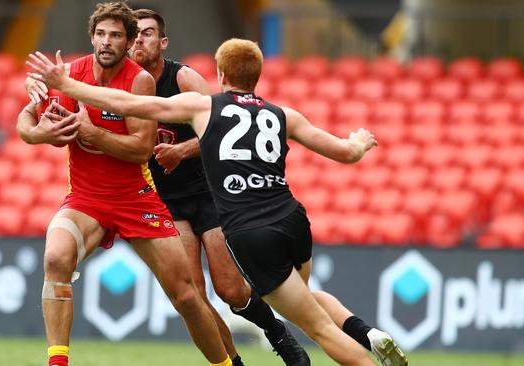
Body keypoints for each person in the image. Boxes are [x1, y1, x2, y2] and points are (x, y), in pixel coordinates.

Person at [27, 37, 410, 366]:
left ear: (221, 75)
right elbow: (344, 153)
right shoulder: (283, 114)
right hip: (294, 220)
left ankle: (360, 353)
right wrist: (360, 141)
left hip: (251, 232)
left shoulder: (204, 107)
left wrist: (68, 85)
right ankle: (366, 331)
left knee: (317, 327)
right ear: (256, 76)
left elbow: (130, 106)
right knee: (302, 298)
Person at [17, 3, 234, 366]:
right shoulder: (69, 73)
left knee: (186, 296)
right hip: (85, 199)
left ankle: (226, 365)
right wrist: (37, 134)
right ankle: (57, 363)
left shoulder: (139, 81)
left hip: (136, 198)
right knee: (56, 258)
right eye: (101, 34)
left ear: (129, 40)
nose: (106, 42)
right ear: (91, 37)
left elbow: (140, 150)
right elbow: (26, 117)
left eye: (116, 35)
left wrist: (90, 131)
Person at [130, 9, 307, 366]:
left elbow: (219, 127)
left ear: (162, 42)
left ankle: (276, 332)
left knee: (230, 290)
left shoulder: (183, 78)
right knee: (193, 296)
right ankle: (233, 363)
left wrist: (181, 150)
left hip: (206, 193)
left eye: (147, 33)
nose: (138, 40)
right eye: (133, 34)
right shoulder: (122, 85)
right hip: (166, 200)